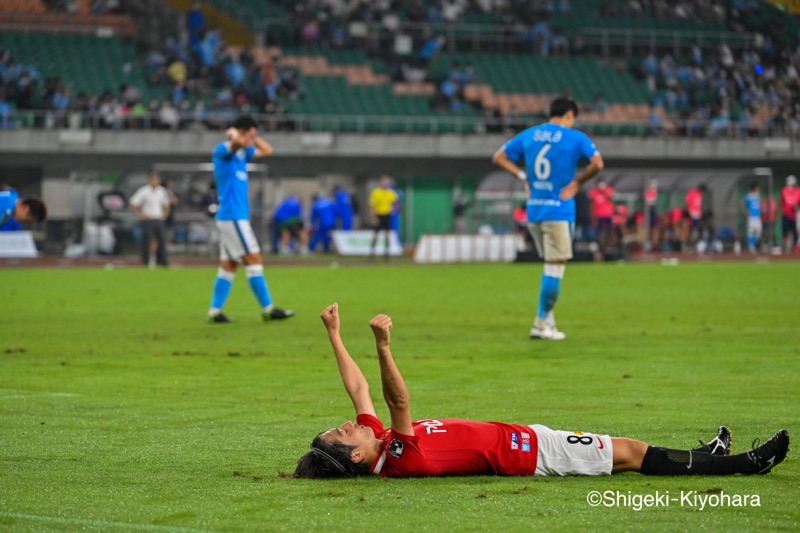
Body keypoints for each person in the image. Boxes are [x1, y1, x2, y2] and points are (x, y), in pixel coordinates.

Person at [293, 304, 790, 479]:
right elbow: (397, 401)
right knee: (633, 455)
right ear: (356, 458)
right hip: (534, 457)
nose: (351, 424)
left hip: (527, 439)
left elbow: (359, 391)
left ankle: (709, 454)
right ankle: (743, 465)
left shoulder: (376, 441)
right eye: (343, 433)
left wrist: (334, 334)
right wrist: (383, 346)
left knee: (630, 451)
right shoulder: (397, 455)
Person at [492, 97, 604, 341]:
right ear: (569, 116)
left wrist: (523, 176)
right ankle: (540, 324)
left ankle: (549, 323)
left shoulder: (530, 134)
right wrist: (577, 183)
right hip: (559, 211)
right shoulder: (575, 137)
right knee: (555, 266)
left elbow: (498, 157)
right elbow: (597, 163)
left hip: (534, 211)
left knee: (550, 265)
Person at [206, 115, 294, 324]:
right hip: (233, 216)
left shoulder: (242, 155)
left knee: (229, 265)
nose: (253, 140)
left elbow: (268, 150)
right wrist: (236, 136)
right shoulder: (223, 150)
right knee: (254, 259)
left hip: (233, 217)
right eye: (251, 135)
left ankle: (214, 312)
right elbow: (235, 143)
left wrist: (251, 137)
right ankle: (268, 309)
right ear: (240, 132)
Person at [129, 173, 171, 268]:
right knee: (147, 240)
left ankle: (163, 260)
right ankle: (146, 260)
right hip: (148, 219)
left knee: (161, 239)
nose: (155, 182)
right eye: (153, 180)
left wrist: (164, 215)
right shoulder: (144, 191)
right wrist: (140, 214)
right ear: (150, 181)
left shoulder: (161, 191)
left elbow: (167, 205)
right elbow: (132, 203)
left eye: (157, 180)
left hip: (158, 219)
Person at [369, 175, 398, 260]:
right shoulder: (376, 192)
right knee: (375, 234)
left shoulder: (391, 193)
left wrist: (393, 210)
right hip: (378, 215)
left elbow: (395, 203)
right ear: (380, 182)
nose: (385, 183)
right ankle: (371, 254)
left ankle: (386, 254)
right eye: (384, 182)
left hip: (387, 215)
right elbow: (372, 206)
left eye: (387, 182)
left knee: (387, 234)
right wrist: (374, 217)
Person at [588, 178, 615, 253]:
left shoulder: (608, 190)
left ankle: (610, 247)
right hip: (599, 215)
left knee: (611, 231)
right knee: (601, 232)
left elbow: (611, 200)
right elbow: (592, 205)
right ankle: (602, 248)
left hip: (609, 214)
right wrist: (592, 216)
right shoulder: (593, 192)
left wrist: (604, 192)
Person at [741, 182, 762, 254]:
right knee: (750, 231)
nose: (758, 189)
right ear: (754, 188)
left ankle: (756, 245)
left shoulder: (758, 196)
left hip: (758, 217)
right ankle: (751, 246)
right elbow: (742, 204)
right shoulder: (748, 196)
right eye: (757, 188)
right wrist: (745, 212)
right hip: (751, 217)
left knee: (758, 231)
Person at [780, 175, 799, 253]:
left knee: (795, 232)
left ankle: (795, 247)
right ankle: (785, 245)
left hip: (795, 215)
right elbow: (782, 202)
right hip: (786, 214)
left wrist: (796, 207)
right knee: (785, 231)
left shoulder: (798, 191)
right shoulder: (784, 190)